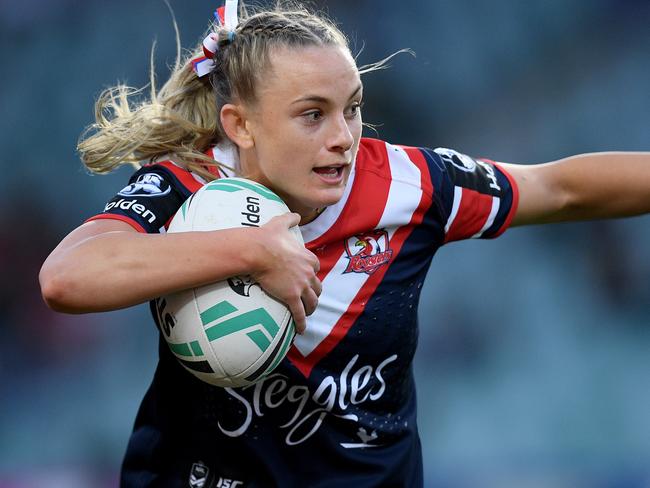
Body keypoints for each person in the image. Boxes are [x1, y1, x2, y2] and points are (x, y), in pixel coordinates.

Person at [39, 1, 650, 486]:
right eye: (312, 114)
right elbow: (67, 278)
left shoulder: (409, 185)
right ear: (240, 125)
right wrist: (252, 252)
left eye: (352, 109)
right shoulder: (189, 187)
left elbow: (559, 187)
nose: (343, 138)